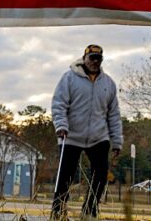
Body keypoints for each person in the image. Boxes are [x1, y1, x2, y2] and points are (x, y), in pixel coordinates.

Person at [50, 44, 123, 221]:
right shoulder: (69, 78)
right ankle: (58, 211)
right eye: (92, 58)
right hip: (71, 135)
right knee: (65, 175)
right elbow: (59, 104)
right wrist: (61, 125)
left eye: (99, 59)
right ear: (84, 59)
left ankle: (90, 210)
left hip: (99, 136)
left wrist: (117, 141)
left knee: (101, 173)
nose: (95, 62)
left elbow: (113, 114)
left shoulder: (108, 83)